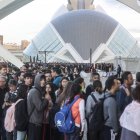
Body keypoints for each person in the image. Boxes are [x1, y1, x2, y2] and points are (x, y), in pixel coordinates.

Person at [27, 74, 48, 140]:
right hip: (34, 122)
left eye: (44, 80)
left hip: (34, 121)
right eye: (41, 80)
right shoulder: (34, 91)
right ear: (36, 81)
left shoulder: (36, 90)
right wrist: (46, 99)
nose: (43, 81)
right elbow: (40, 107)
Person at [102, 76, 120, 140]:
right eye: (117, 83)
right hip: (111, 129)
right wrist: (116, 130)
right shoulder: (111, 100)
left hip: (108, 127)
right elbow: (113, 117)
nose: (119, 85)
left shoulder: (107, 96)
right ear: (112, 86)